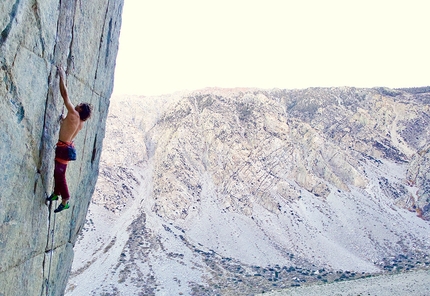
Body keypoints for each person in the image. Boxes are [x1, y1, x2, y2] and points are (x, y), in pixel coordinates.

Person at [46, 66, 93, 213]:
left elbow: (64, 95)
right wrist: (62, 121)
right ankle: (56, 194)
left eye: (79, 105)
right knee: (58, 172)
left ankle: (65, 199)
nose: (76, 105)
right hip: (68, 148)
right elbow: (68, 127)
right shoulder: (80, 123)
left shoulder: (73, 113)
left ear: (79, 109)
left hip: (63, 148)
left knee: (60, 174)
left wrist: (61, 76)